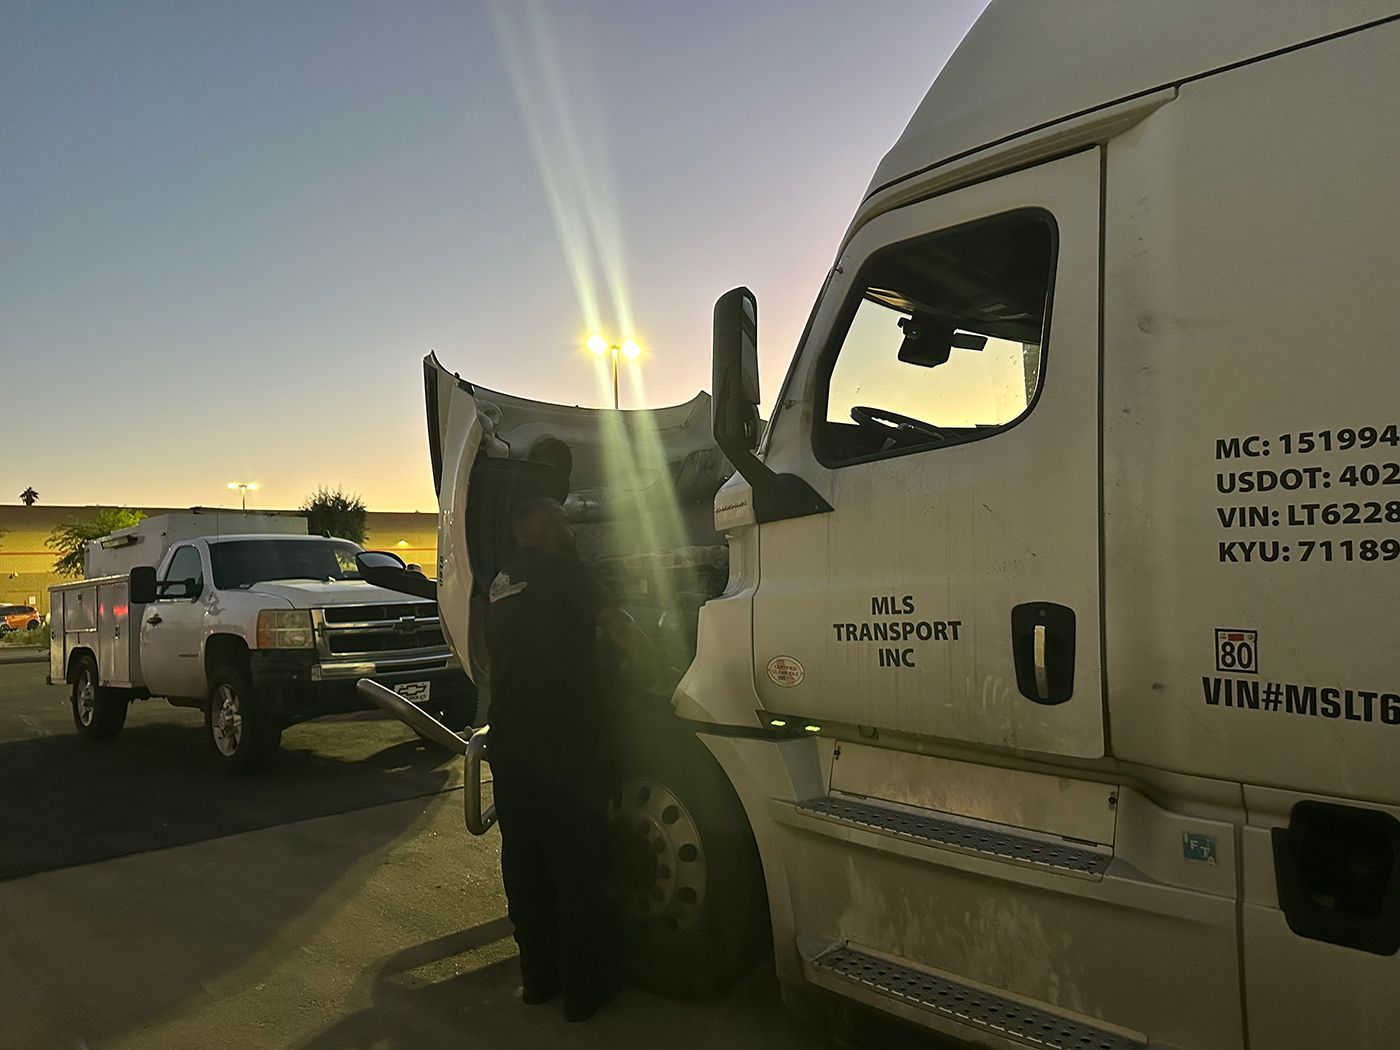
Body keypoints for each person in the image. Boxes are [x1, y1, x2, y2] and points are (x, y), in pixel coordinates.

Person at [484, 495, 654, 1022]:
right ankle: (587, 991)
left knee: (526, 866)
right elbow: (620, 626)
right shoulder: (565, 571)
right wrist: (663, 667)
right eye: (554, 517)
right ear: (531, 522)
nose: (564, 526)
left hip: (510, 746)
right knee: (580, 867)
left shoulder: (499, 581)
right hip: (564, 746)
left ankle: (538, 980)